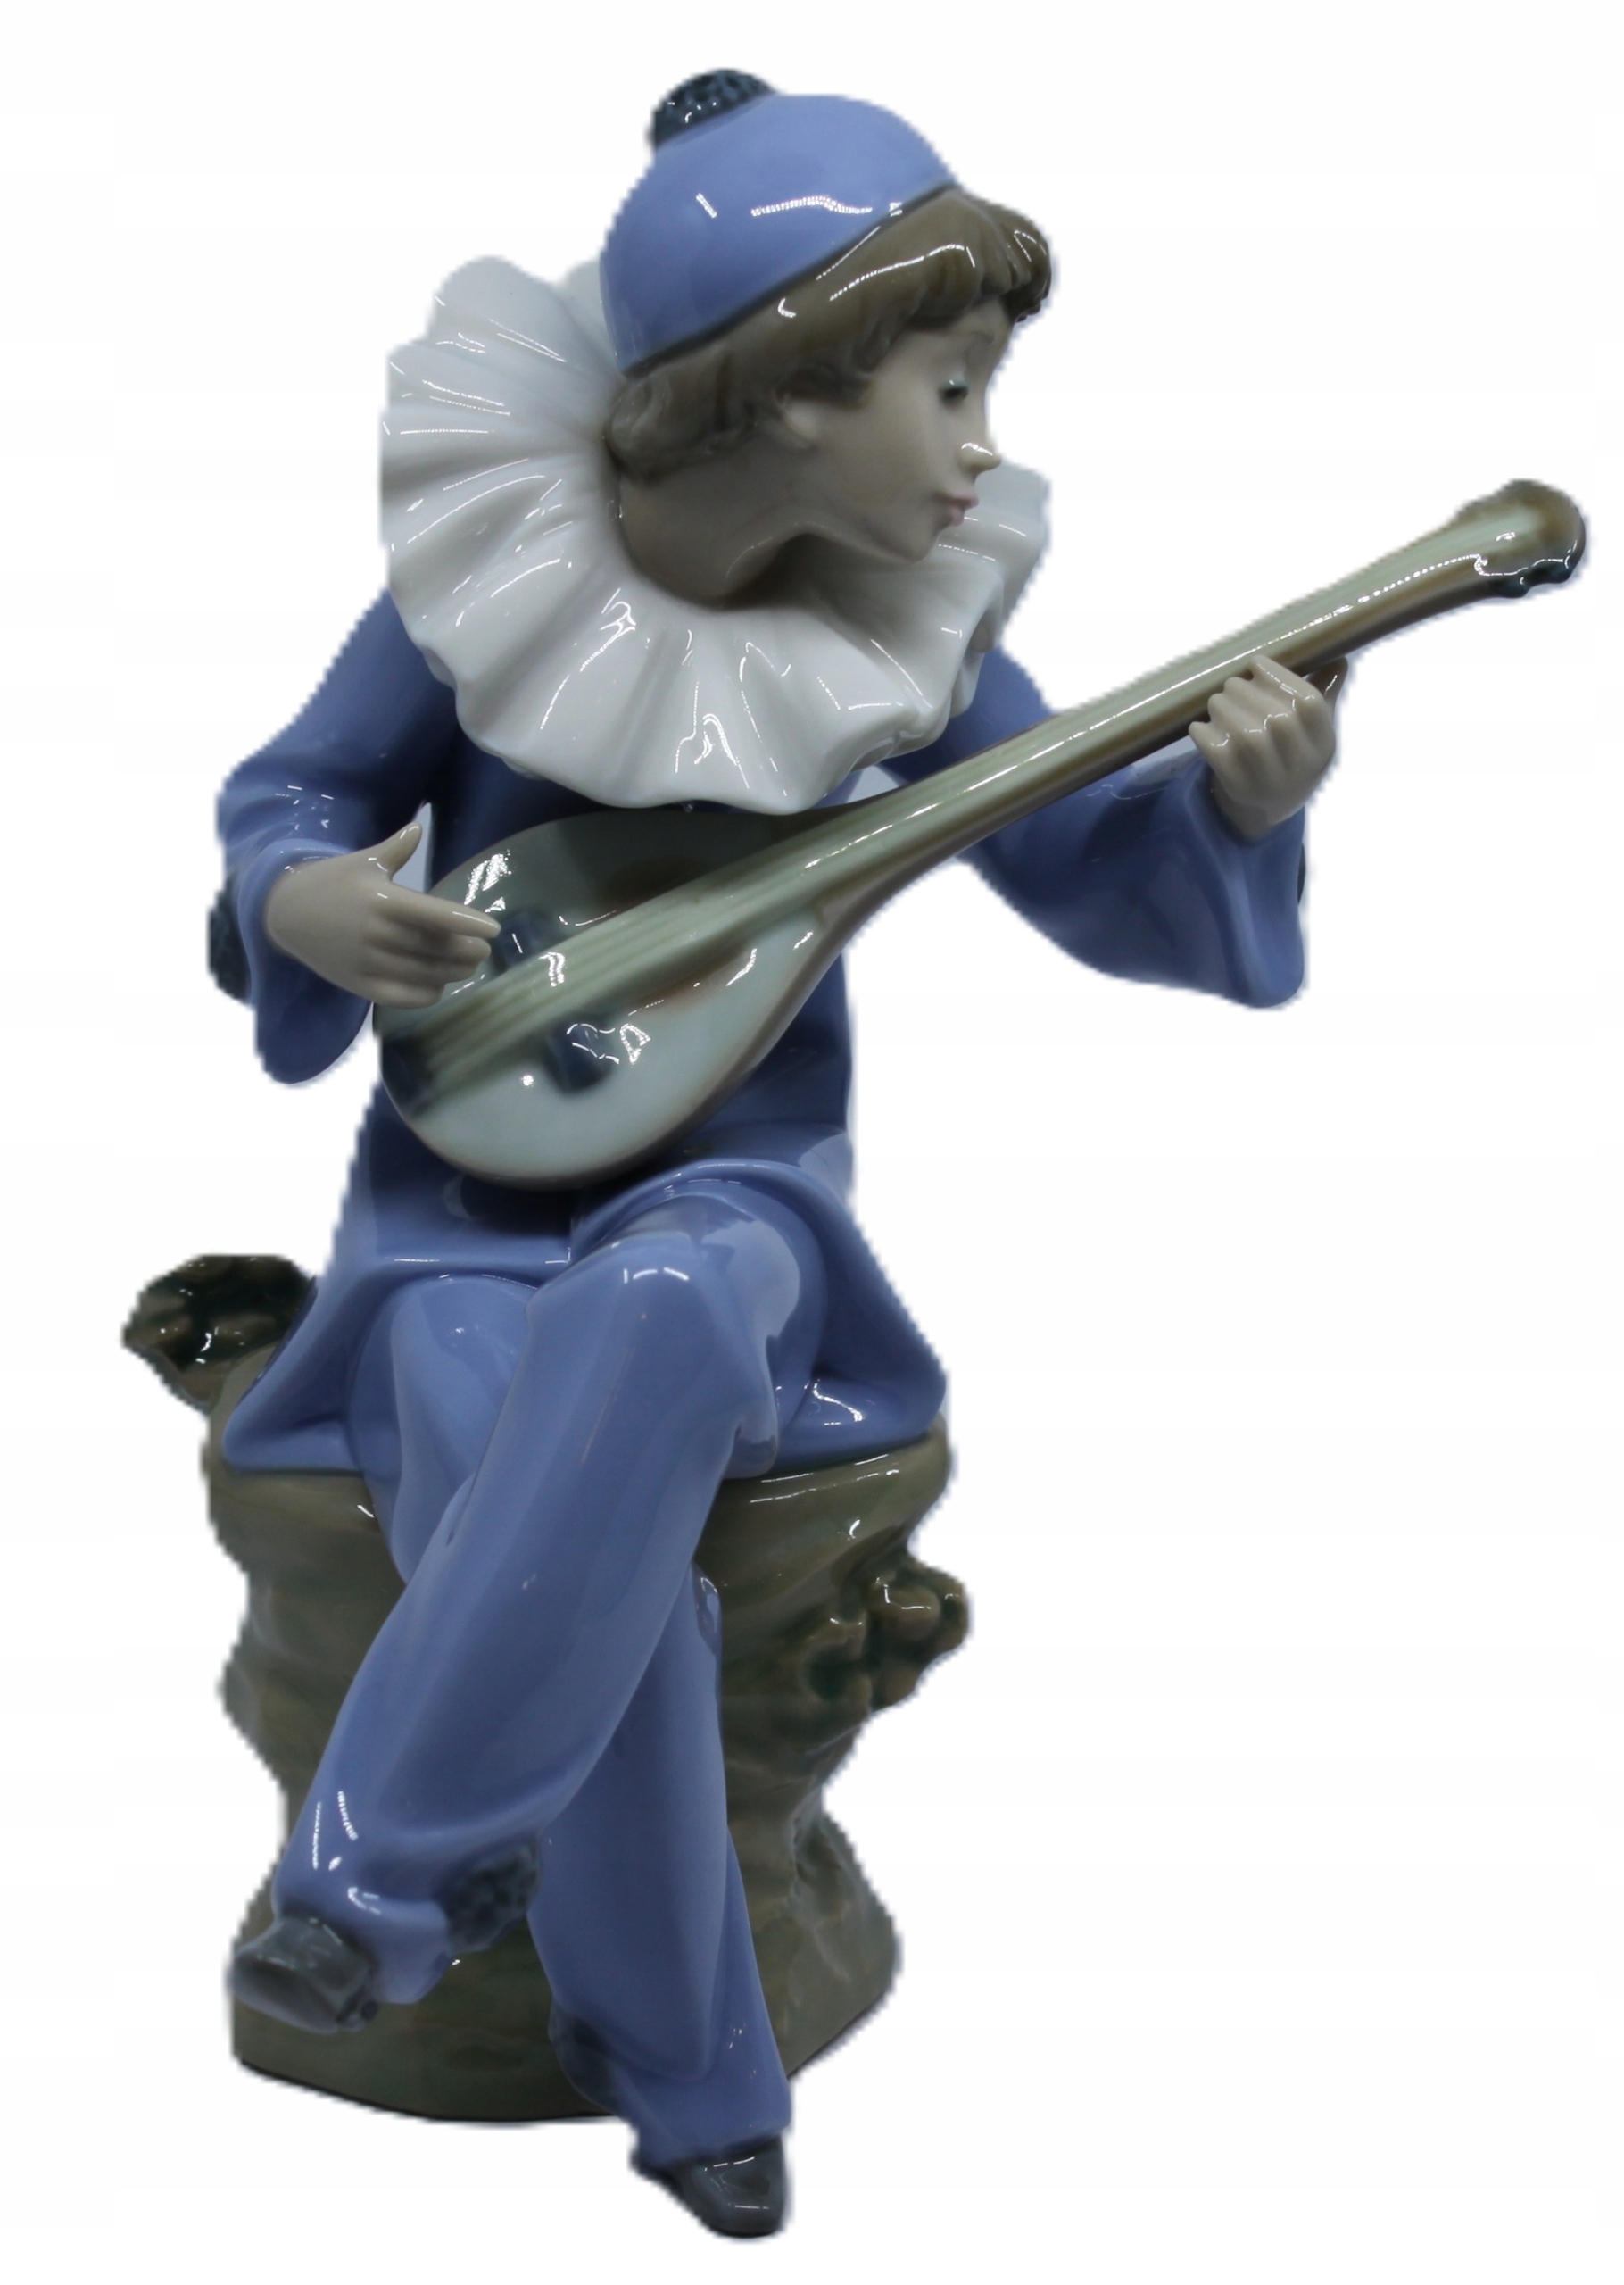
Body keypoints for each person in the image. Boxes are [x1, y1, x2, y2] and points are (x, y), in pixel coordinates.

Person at [215, 72, 1337, 2237]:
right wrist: (306, 903)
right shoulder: (492, 592)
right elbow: (295, 790)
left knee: (655, 1307)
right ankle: (692, 2070)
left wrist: (1232, 808)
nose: (982, 445)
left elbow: (1088, 854)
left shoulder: (905, 644)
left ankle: (364, 1887)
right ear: (794, 389)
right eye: (948, 386)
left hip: (734, 1193)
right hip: (455, 1201)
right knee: (515, 1446)